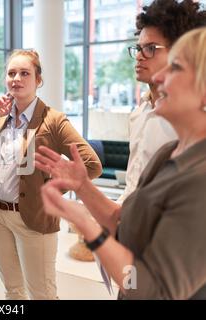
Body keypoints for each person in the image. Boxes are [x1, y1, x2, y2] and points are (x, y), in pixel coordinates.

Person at [36, 27, 206, 299]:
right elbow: (124, 224)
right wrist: (82, 186)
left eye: (175, 68)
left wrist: (90, 229)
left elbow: (152, 290)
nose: (160, 77)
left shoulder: (199, 180)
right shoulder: (170, 153)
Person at [0, 49, 102, 300]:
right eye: (11, 73)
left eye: (24, 73)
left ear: (38, 80)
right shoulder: (0, 118)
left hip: (34, 216)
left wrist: (52, 190)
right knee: (13, 290)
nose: (16, 79)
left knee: (41, 294)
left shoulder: (53, 120)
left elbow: (91, 163)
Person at [119, 0, 206, 202]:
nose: (140, 56)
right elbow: (132, 191)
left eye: (151, 48)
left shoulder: (190, 122)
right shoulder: (139, 112)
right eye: (138, 48)